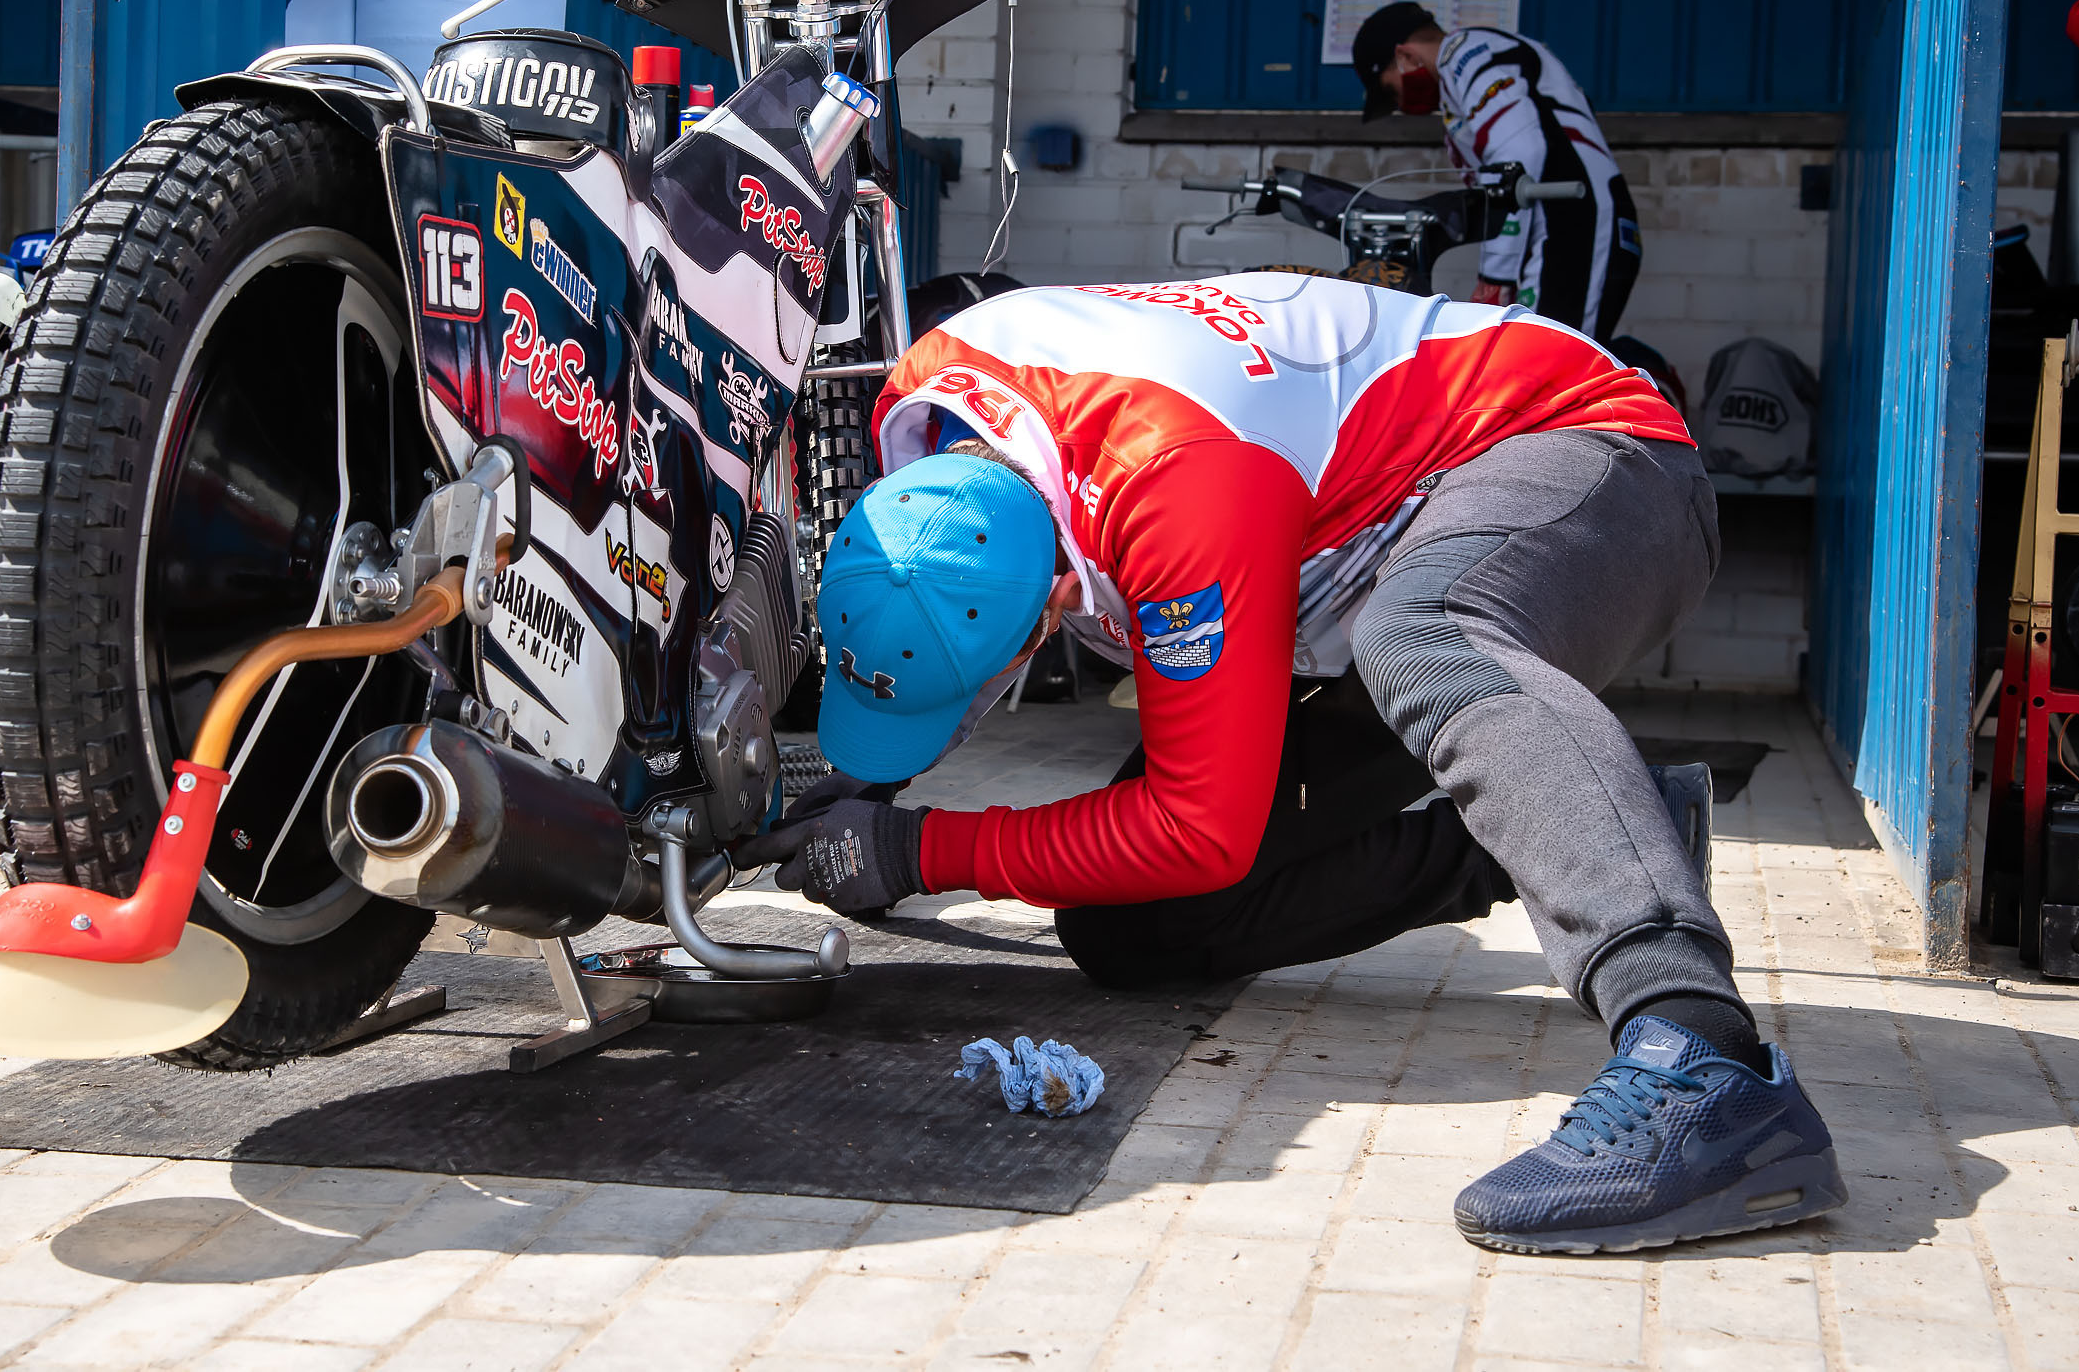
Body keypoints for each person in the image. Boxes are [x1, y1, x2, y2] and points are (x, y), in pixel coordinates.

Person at [741, 274, 1846, 1255]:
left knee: (1423, 636)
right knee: (1133, 924)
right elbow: (947, 594)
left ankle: (1703, 1056)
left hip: (1591, 454)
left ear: (1062, 600)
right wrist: (865, 792)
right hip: (1340, 544)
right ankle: (1606, 824)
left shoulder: (1171, 494)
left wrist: (918, 847)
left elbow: (1198, 822)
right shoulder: (928, 419)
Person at [1352, 1, 1641, 342]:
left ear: (1406, 57)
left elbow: (1516, 161)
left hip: (1578, 222)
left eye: (1389, 90)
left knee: (1554, 368)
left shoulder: (1466, 54)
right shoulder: (1460, 81)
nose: (1399, 105)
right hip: (1561, 225)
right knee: (1534, 366)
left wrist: (1495, 277)